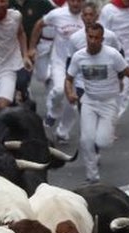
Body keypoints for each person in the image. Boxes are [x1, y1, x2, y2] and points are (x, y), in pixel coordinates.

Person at [65, 23, 129, 183]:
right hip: (88, 100)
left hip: (109, 102)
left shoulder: (112, 55)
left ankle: (101, 143)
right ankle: (92, 177)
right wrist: (70, 93)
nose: (93, 40)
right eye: (90, 37)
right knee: (86, 140)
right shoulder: (78, 56)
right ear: (86, 37)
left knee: (102, 141)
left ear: (102, 39)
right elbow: (68, 78)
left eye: (97, 38)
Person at [29, 0, 84, 143]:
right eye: (73, 0)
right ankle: (53, 112)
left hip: (80, 66)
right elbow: (39, 24)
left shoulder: (88, 16)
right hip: (60, 62)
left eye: (79, 1)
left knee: (73, 102)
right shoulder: (57, 14)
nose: (76, 4)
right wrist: (32, 47)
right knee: (59, 91)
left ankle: (62, 132)